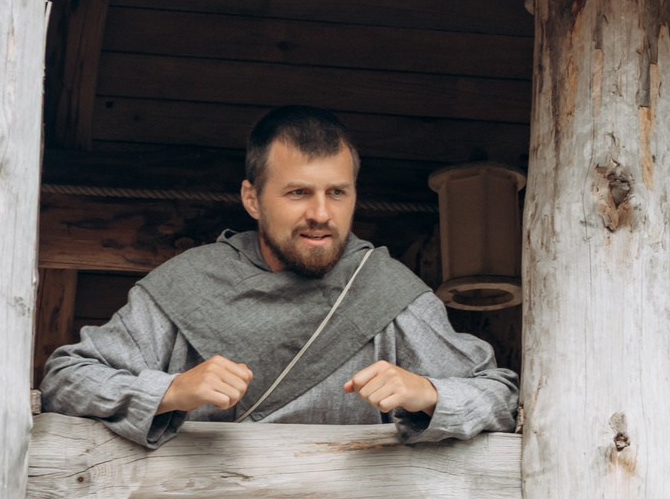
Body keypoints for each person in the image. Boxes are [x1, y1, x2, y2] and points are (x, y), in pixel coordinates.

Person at [41, 107, 517, 447]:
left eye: (337, 192)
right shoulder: (187, 285)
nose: (320, 213)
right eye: (297, 192)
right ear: (252, 199)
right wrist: (169, 392)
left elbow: (500, 396)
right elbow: (65, 380)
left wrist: (429, 394)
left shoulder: (386, 289)